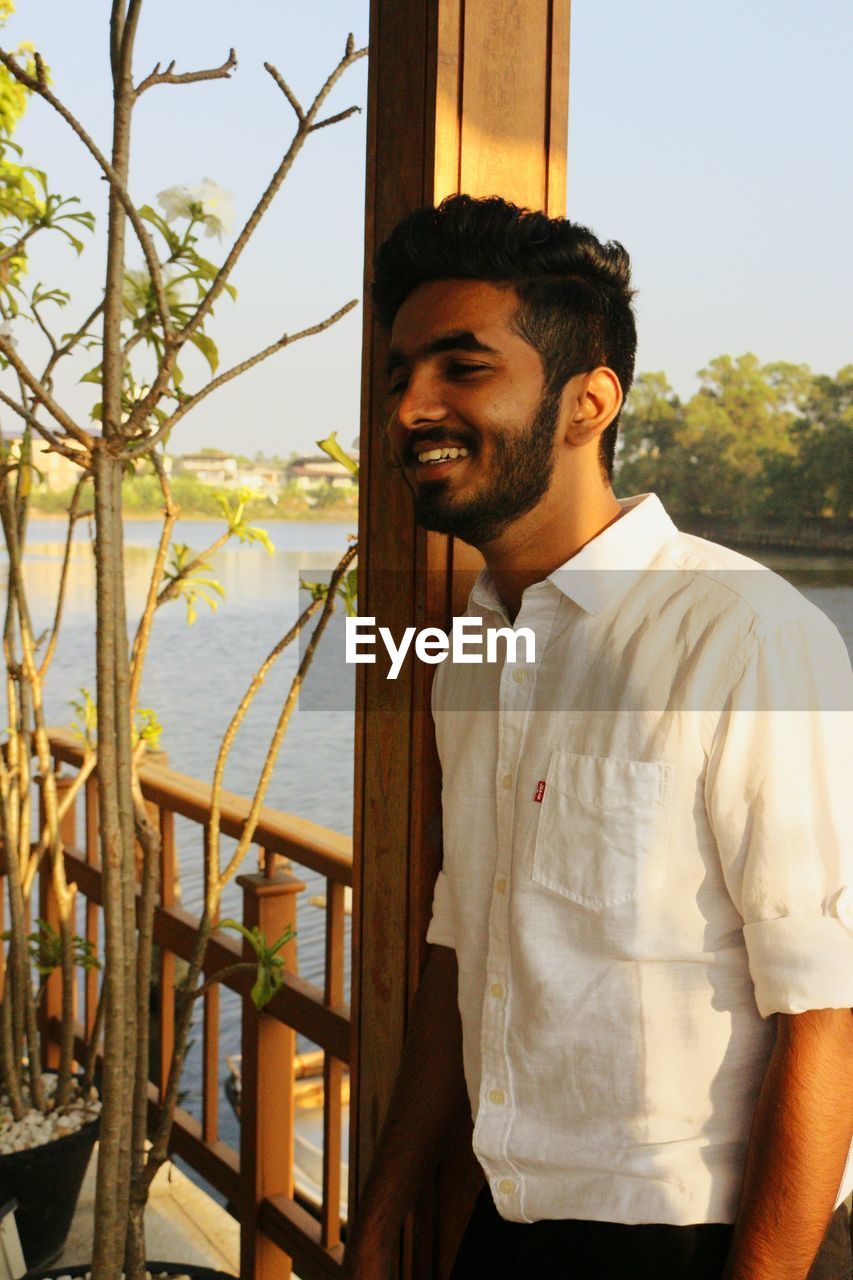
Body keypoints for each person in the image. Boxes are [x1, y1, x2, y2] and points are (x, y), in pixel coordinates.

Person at [342, 195, 853, 1280]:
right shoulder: (471, 651)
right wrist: (384, 1202)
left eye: (460, 367)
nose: (410, 406)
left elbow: (826, 1011)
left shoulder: (748, 638)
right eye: (397, 376)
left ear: (588, 402)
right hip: (507, 1223)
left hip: (716, 1234)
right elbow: (460, 938)